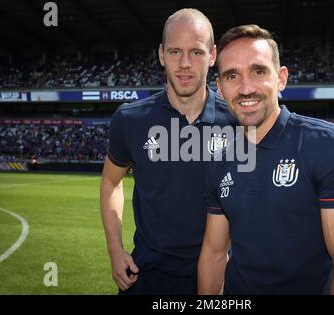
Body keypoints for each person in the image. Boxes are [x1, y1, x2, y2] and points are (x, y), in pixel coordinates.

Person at [198, 24, 334, 294]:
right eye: (232, 76)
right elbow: (214, 252)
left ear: (281, 78)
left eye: (258, 72)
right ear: (219, 87)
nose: (245, 88)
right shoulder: (219, 159)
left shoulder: (326, 143)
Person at [100, 9, 235, 295]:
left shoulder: (238, 123)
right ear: (161, 54)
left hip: (219, 277)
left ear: (212, 56)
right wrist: (115, 249)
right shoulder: (130, 119)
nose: (185, 64)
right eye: (175, 52)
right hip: (146, 276)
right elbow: (111, 181)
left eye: (196, 52)